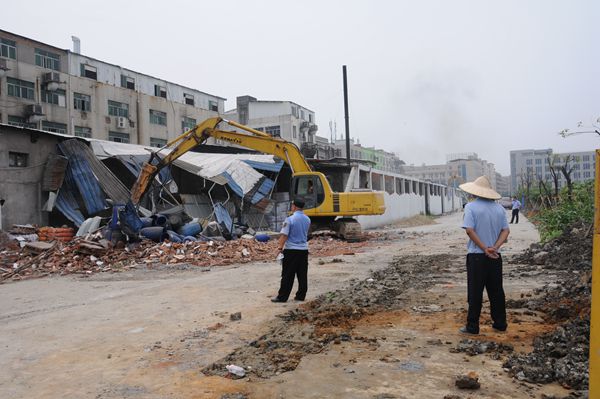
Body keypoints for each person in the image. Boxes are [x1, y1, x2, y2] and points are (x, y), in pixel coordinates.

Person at [458, 176, 510, 335]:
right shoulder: (499, 209)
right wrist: (495, 247)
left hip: (477, 256)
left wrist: (484, 248)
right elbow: (506, 230)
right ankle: (500, 323)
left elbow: (469, 230)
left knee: (475, 291)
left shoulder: (471, 207)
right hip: (495, 256)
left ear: (475, 191)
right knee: (496, 291)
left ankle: (472, 326)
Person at [271, 199, 311, 303]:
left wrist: (279, 248)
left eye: (292, 205)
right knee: (302, 274)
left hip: (291, 250)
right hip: (303, 250)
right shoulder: (307, 219)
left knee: (288, 274)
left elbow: (284, 235)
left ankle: (282, 297)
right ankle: (301, 296)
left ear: (294, 206)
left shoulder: (290, 219)